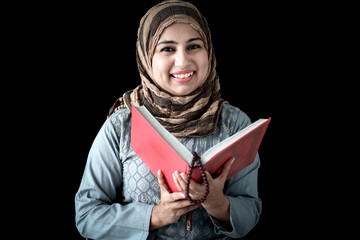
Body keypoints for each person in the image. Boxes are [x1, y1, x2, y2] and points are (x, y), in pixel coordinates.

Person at [75, 0, 262, 239]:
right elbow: (87, 217)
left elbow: (251, 211)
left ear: (209, 52)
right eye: (167, 49)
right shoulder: (121, 126)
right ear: (146, 57)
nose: (183, 61)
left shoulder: (235, 124)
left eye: (194, 46)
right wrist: (157, 216)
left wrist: (217, 203)